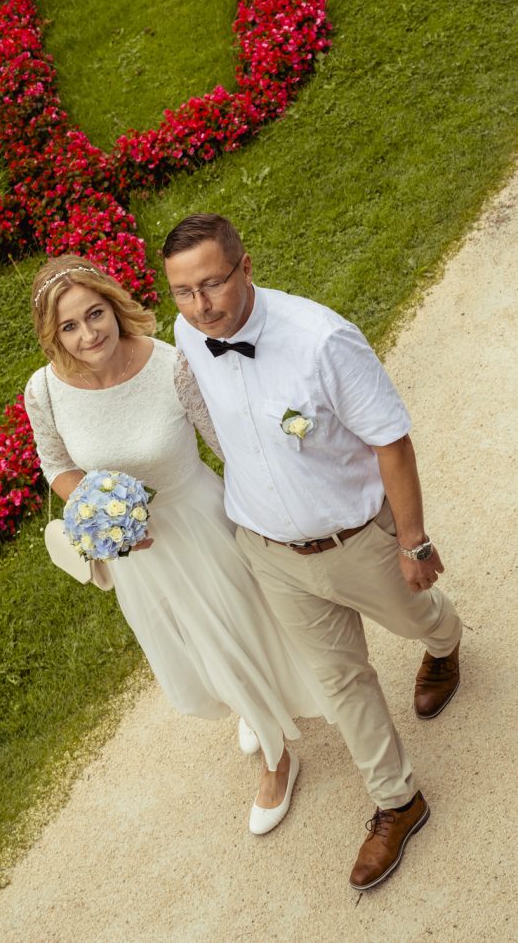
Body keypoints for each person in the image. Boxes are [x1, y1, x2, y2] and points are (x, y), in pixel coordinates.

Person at [163, 213, 463, 890]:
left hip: (356, 541)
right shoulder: (188, 333)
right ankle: (397, 800)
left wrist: (413, 542)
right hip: (269, 552)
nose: (200, 306)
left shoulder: (323, 341)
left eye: (211, 283)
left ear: (246, 266)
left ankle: (445, 642)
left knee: (420, 618)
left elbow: (392, 441)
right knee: (342, 680)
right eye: (182, 291)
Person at [24, 254, 333, 835]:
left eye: (96, 314)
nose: (88, 334)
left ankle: (277, 758)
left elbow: (226, 442)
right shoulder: (43, 390)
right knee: (191, 642)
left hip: (198, 521)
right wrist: (99, 511)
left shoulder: (173, 365)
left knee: (238, 625)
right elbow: (57, 465)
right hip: (135, 551)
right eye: (70, 326)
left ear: (115, 307)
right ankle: (253, 705)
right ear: (53, 334)